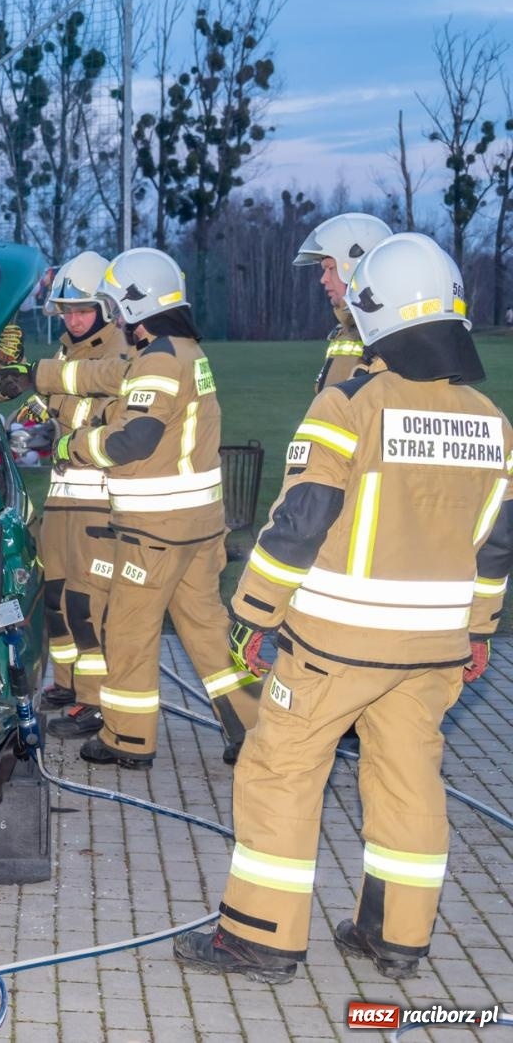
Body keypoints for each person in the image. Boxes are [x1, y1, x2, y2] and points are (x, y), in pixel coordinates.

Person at [174, 232, 513, 984]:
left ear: (379, 315)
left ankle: (260, 938)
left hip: (335, 645)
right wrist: (480, 633)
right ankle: (395, 937)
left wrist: (255, 613)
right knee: (408, 778)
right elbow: (495, 549)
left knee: (278, 770)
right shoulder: (493, 422)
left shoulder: (349, 404)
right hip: (434, 653)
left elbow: (300, 521)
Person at [0, 248, 260, 767]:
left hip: (155, 530)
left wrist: (71, 446)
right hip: (199, 528)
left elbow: (131, 439)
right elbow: (103, 376)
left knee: (130, 633)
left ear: (138, 304)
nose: (114, 314)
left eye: (117, 305)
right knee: (206, 631)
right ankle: (252, 726)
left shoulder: (157, 359)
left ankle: (128, 739)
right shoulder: (183, 352)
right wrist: (35, 375)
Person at [26, 253, 128, 740]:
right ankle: (66, 685)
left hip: (98, 504)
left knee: (90, 607)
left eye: (83, 310)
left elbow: (109, 423)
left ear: (106, 308)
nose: (73, 319)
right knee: (55, 600)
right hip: (60, 502)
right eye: (66, 310)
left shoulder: (121, 355)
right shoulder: (65, 355)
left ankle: (95, 701)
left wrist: (57, 426)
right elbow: (43, 407)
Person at [294, 212, 392, 393]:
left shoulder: (386, 337)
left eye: (330, 268)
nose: (323, 279)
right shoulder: (346, 332)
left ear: (358, 269)